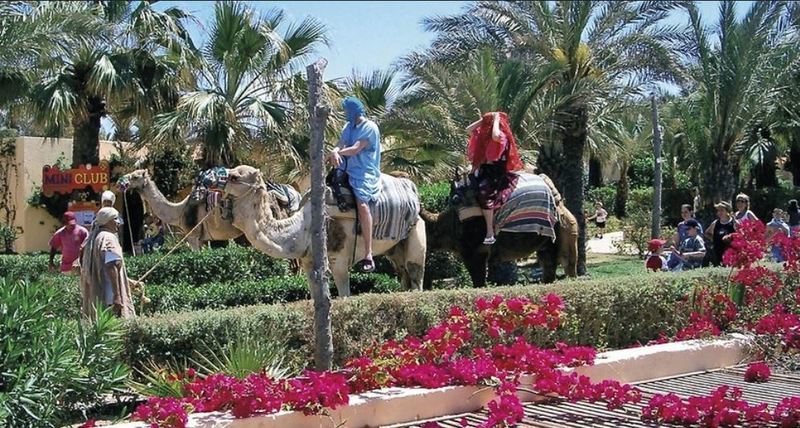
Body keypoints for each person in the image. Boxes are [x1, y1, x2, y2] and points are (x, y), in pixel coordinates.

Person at [327, 96, 382, 272]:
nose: (345, 114)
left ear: (354, 111)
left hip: (363, 171)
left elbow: (356, 148)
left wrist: (338, 153)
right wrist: (334, 151)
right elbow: (340, 144)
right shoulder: (348, 127)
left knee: (362, 204)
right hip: (346, 168)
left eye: (346, 111)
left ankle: (368, 254)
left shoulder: (370, 128)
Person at [465, 111, 524, 245]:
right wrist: (484, 119)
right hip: (484, 170)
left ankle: (489, 232)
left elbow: (496, 135)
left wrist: (496, 119)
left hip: (496, 173)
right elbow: (468, 129)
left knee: (484, 193)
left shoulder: (502, 135)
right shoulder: (484, 138)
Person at [79, 207, 136, 319]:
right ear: (107, 221)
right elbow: (111, 266)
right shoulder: (108, 238)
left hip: (101, 293)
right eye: (115, 219)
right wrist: (117, 296)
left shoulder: (97, 237)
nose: (118, 222)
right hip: (110, 296)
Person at [705, 201, 736, 267]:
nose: (719, 213)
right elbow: (707, 233)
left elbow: (739, 235)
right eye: (718, 211)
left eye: (722, 210)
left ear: (727, 211)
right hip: (718, 252)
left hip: (730, 253)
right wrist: (713, 239)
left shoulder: (734, 222)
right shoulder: (715, 223)